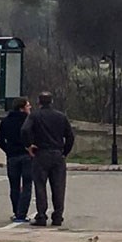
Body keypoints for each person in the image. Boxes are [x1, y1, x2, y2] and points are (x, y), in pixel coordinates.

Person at [21, 92, 75, 226]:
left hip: (41, 153)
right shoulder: (61, 117)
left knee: (40, 186)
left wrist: (29, 145)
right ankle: (57, 216)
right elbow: (70, 136)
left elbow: (25, 130)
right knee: (58, 186)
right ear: (52, 102)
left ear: (39, 102)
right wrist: (65, 152)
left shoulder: (35, 116)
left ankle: (41, 215)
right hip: (57, 154)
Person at [0, 97, 33, 222]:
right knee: (27, 184)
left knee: (14, 185)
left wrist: (8, 150)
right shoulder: (28, 121)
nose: (30, 108)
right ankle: (22, 213)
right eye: (28, 106)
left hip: (12, 156)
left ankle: (16, 211)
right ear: (22, 108)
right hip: (27, 155)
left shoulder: (6, 121)